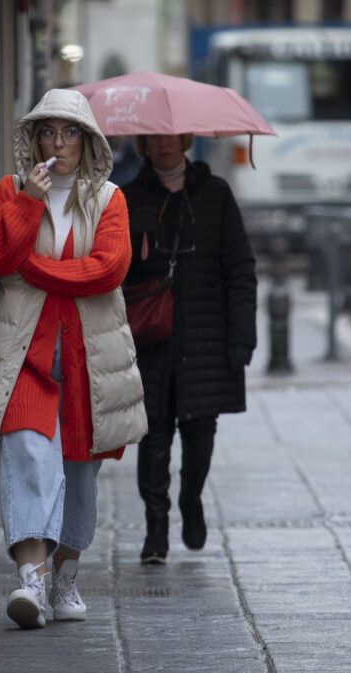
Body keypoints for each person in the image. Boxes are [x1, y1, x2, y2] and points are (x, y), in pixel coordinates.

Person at [0, 88, 147, 629]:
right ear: (34, 139)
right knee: (25, 452)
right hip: (23, 351)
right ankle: (30, 582)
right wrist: (26, 203)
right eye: (48, 132)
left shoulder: (110, 197)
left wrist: (36, 269)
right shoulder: (12, 189)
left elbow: (107, 268)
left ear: (88, 141)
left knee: (78, 472)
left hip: (89, 356)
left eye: (69, 133)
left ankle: (65, 575)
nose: (58, 143)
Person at [121, 133, 257, 564]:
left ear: (184, 140)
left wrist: (241, 337)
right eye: (153, 138)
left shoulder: (215, 195)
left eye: (169, 138)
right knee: (154, 435)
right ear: (143, 143)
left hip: (206, 339)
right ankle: (156, 529)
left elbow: (240, 270)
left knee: (200, 436)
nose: (162, 145)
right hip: (151, 339)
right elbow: (114, 271)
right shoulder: (128, 197)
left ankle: (191, 498)